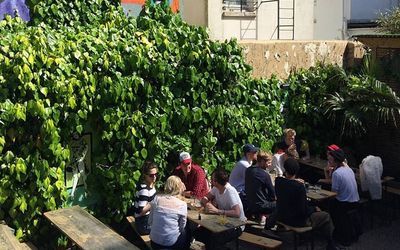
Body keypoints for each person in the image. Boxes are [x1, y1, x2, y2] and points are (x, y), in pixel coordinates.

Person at [274, 158, 338, 250]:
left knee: (313, 208)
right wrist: (314, 208)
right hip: (298, 221)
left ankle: (307, 237)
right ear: (296, 171)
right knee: (326, 215)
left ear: (285, 169)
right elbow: (303, 210)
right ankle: (330, 243)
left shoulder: (278, 182)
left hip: (282, 216)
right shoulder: (299, 187)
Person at [194, 168, 246, 250]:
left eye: (212, 179)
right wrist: (207, 204)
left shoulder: (230, 191)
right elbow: (205, 198)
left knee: (213, 238)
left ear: (216, 182)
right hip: (223, 221)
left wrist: (217, 211)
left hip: (236, 226)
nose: (210, 180)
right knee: (199, 232)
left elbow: (237, 213)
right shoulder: (216, 188)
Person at [328, 145, 361, 246]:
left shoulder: (337, 173)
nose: (329, 161)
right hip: (355, 201)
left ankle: (336, 233)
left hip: (345, 204)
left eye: (330, 159)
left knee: (327, 205)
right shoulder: (348, 169)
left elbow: (334, 194)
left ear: (335, 160)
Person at [149, 176, 191, 249]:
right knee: (185, 231)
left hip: (154, 242)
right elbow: (182, 226)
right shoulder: (182, 204)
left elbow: (150, 221)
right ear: (179, 187)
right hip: (170, 243)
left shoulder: (157, 199)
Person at [245, 151, 276, 227]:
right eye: (268, 163)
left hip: (249, 204)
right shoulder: (264, 175)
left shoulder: (248, 170)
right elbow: (273, 194)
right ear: (262, 161)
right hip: (261, 207)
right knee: (280, 203)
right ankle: (267, 219)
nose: (270, 165)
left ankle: (262, 216)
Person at [128, 161, 158, 235]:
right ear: (145, 175)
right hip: (143, 224)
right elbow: (141, 211)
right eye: (151, 175)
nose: (154, 177)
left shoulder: (151, 185)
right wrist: (154, 202)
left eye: (156, 174)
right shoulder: (144, 190)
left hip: (148, 219)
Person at [229, 143, 259, 209]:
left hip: (241, 189)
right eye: (254, 152)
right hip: (238, 191)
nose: (256, 153)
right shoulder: (244, 165)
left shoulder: (248, 161)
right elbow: (254, 180)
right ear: (248, 154)